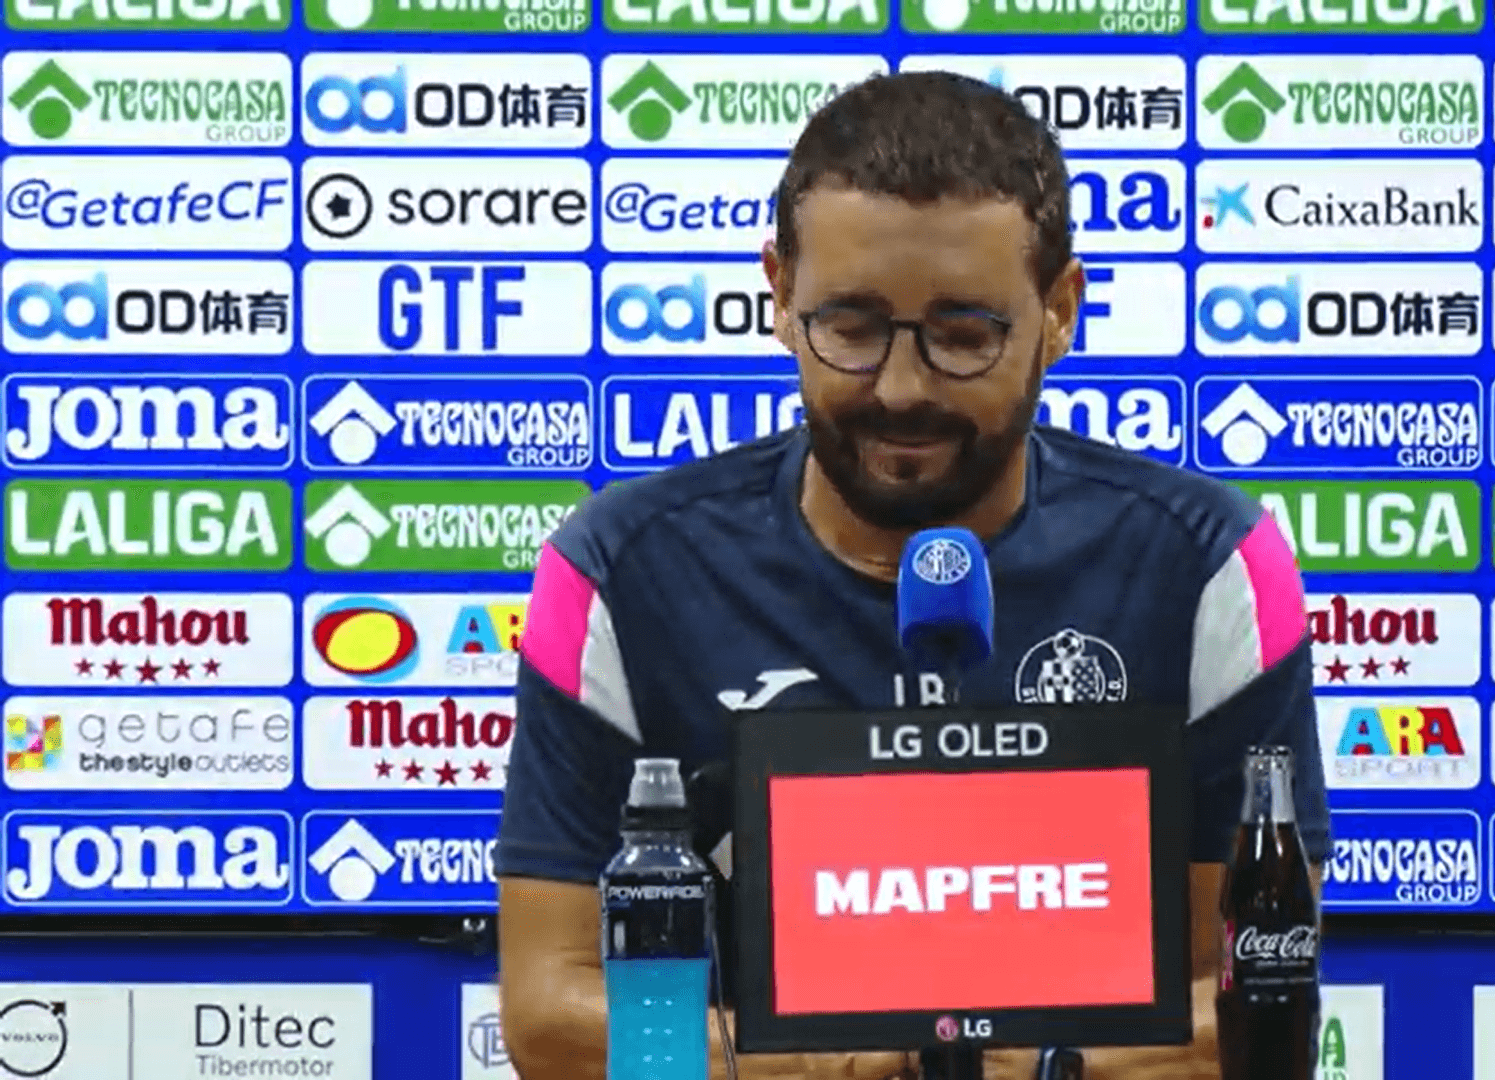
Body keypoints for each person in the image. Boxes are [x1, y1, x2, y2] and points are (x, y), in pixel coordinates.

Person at [495, 70, 1330, 1080]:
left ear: (1060, 312)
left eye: (965, 336)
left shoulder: (1208, 565)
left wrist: (1050, 1063)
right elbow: (549, 1016)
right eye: (848, 328)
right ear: (777, 295)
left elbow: (1254, 1003)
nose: (900, 387)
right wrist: (817, 1063)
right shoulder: (620, 569)